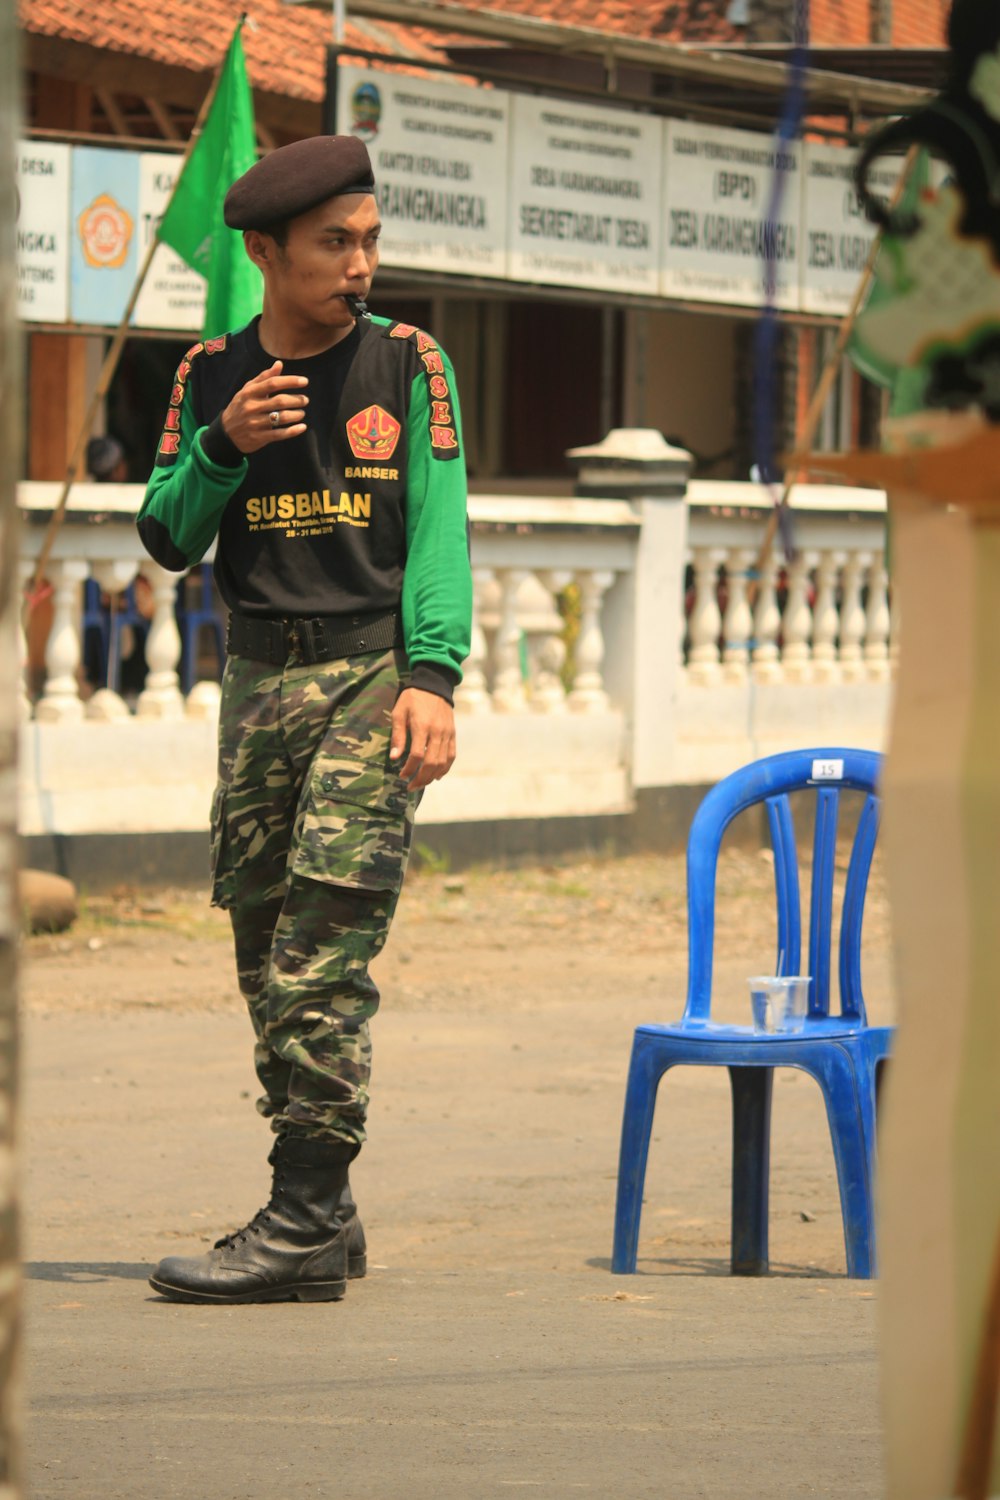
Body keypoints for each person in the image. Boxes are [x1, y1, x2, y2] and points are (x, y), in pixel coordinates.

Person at [136, 134, 472, 1305]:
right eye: (336, 243)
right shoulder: (207, 375)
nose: (361, 264)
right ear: (266, 252)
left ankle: (303, 1213)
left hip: (369, 677)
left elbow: (439, 531)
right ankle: (326, 1211)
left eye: (371, 239)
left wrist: (433, 677)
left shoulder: (410, 364)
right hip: (257, 688)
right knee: (261, 953)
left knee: (319, 955)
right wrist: (226, 445)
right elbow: (167, 533)